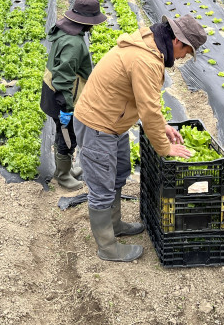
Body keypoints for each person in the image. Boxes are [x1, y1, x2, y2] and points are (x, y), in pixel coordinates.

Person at [73, 14, 207, 262]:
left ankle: (115, 225)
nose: (183, 58)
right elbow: (148, 110)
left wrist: (163, 125)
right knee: (102, 187)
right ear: (177, 41)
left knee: (119, 172)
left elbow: (144, 103)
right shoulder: (146, 60)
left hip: (113, 123)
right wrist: (165, 148)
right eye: (186, 52)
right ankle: (107, 247)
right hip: (97, 125)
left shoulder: (151, 45)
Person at [40, 0, 107, 190]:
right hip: (62, 97)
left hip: (53, 91)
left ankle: (66, 169)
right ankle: (62, 175)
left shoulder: (65, 32)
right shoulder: (74, 44)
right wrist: (66, 106)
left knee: (65, 133)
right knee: (67, 135)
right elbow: (63, 76)